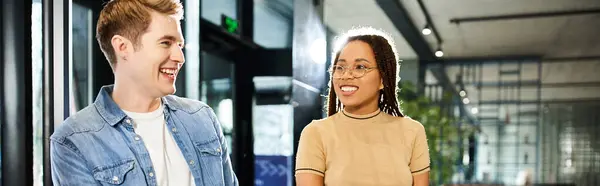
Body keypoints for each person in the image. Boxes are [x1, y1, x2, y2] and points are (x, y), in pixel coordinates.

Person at [50, 0, 238, 185]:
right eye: (165, 43)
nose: (180, 57)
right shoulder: (74, 141)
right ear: (123, 47)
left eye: (179, 45)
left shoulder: (202, 117)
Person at [294, 27, 431, 186]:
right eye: (340, 67)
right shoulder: (316, 133)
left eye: (360, 67)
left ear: (383, 79)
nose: (346, 75)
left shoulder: (412, 132)